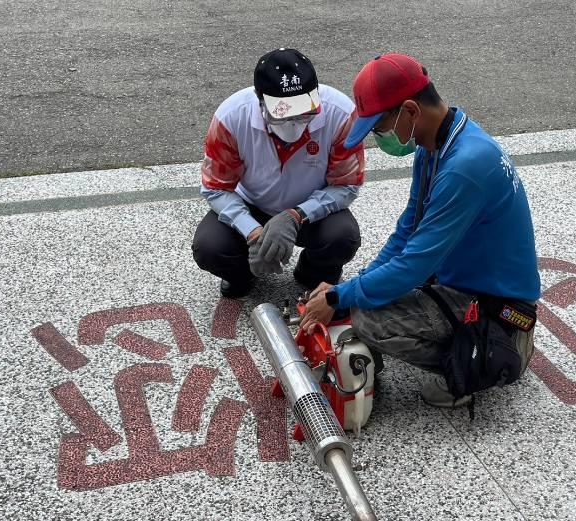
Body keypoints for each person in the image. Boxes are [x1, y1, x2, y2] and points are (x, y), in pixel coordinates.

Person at [300, 53, 541, 409]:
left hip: (498, 308)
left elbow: (413, 263)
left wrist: (340, 299)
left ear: (410, 111)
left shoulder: (465, 166)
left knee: (369, 320)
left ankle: (479, 362)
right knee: (369, 292)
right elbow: (406, 232)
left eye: (380, 128)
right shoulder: (436, 146)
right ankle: (467, 338)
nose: (380, 139)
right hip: (460, 279)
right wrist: (350, 287)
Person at [193, 48, 365, 298]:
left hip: (311, 208)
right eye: (283, 114)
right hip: (252, 203)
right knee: (210, 248)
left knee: (342, 237)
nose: (295, 123)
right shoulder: (230, 118)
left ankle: (311, 270)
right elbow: (216, 187)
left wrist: (296, 215)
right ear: (260, 99)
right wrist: (251, 231)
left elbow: (347, 185)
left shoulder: (341, 114)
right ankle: (244, 275)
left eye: (305, 113)